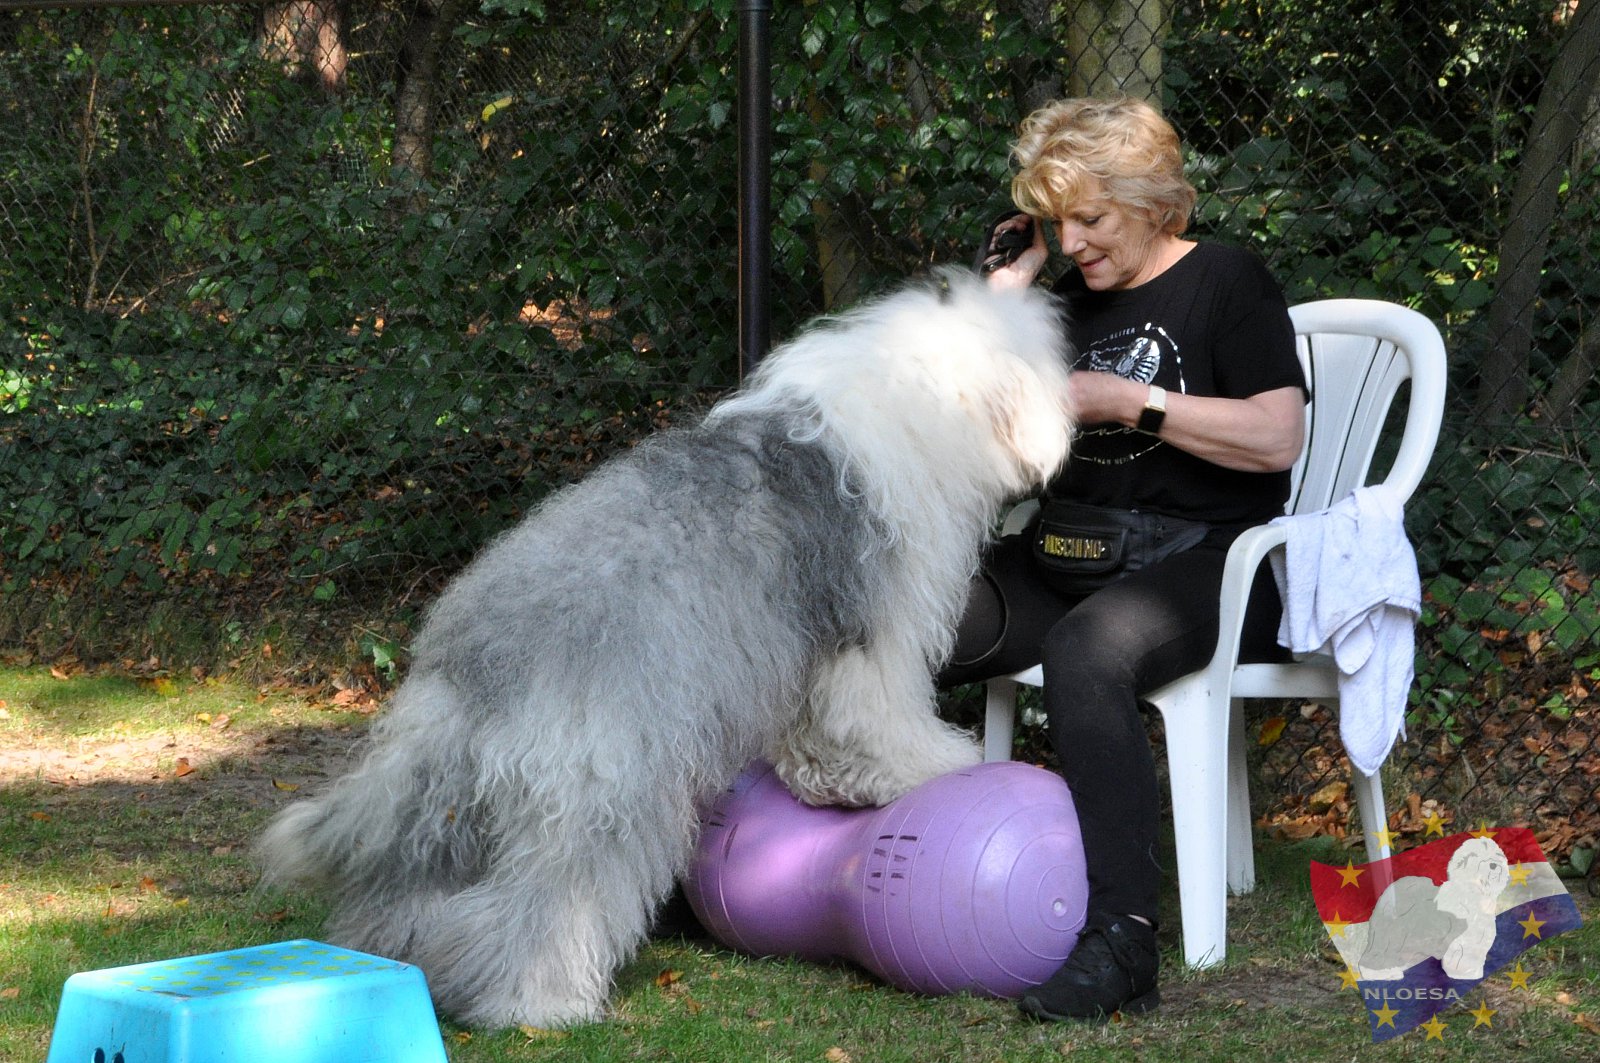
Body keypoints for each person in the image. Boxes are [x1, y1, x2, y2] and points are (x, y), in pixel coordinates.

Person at [943, 95, 1309, 1022]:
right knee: (915, 612)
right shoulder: (1064, 302)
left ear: (1150, 202)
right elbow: (979, 446)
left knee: (1087, 648)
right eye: (1057, 222)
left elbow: (1276, 436)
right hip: (1068, 553)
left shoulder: (1227, 280)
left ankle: (1123, 938)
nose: (1072, 243)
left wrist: (1128, 401)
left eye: (1092, 219)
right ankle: (852, 851)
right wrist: (1003, 300)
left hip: (1210, 564)